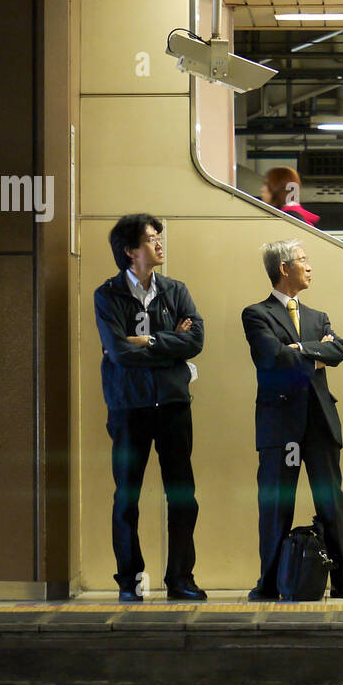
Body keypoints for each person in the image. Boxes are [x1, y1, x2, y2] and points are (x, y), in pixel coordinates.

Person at [93, 214, 207, 602]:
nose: (160, 244)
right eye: (151, 239)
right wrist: (168, 341)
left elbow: (196, 342)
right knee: (127, 495)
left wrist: (146, 342)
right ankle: (130, 581)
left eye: (160, 237)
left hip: (173, 403)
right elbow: (119, 353)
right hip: (128, 406)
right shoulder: (107, 295)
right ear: (130, 251)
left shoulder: (176, 290)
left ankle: (181, 579)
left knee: (183, 495)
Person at [242, 239, 343, 600]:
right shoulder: (256, 314)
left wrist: (302, 350)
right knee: (276, 504)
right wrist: (314, 355)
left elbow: (338, 350)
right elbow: (271, 358)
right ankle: (270, 581)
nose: (309, 266)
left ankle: (341, 580)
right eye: (303, 260)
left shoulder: (317, 316)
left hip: (319, 423)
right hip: (281, 427)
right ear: (283, 268)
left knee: (332, 503)